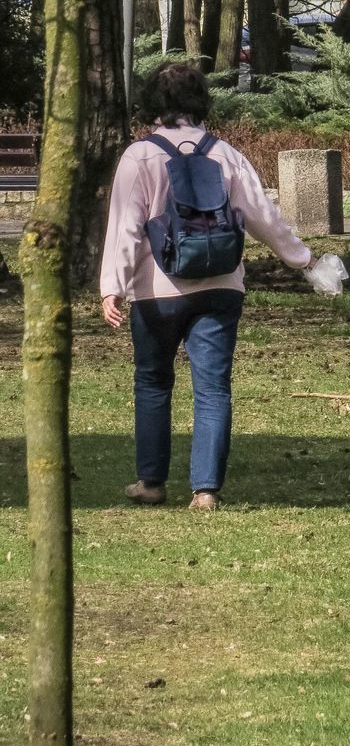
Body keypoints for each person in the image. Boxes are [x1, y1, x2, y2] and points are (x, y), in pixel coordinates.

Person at [100, 62, 317, 509]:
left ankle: (152, 482)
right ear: (201, 101)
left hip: (156, 290)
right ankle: (206, 490)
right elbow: (263, 218)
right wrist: (303, 259)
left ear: (152, 103)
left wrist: (112, 286)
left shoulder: (139, 156)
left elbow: (126, 228)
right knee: (213, 387)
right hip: (221, 285)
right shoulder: (227, 154)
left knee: (153, 381)